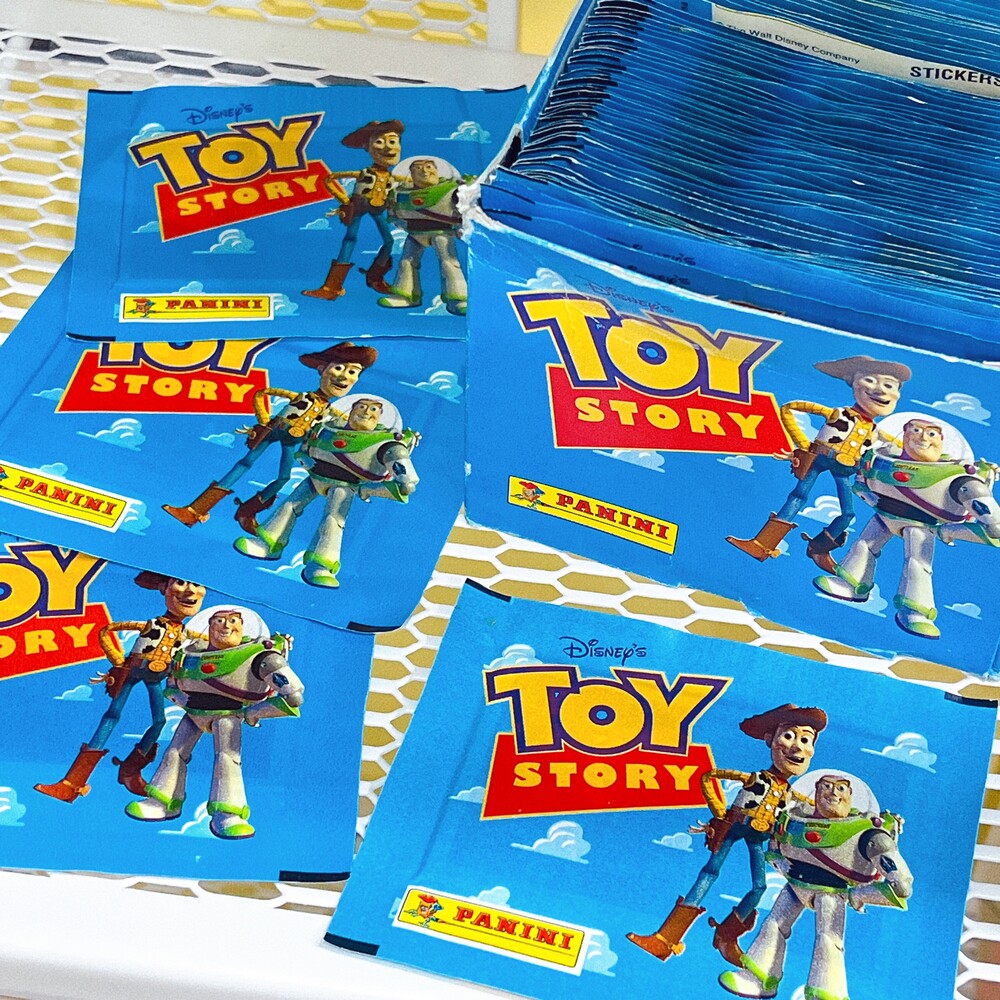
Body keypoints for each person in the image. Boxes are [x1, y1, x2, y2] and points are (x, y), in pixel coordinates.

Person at [627, 704, 827, 966]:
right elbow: (709, 776)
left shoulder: (791, 794)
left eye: (806, 740)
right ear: (770, 739)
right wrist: (720, 813)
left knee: (759, 887)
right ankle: (665, 939)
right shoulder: (754, 778)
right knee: (710, 872)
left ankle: (726, 936)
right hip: (734, 826)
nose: (797, 747)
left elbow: (812, 809)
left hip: (759, 837)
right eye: (789, 736)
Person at [719, 773, 912, 1000]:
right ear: (816, 791)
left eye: (841, 789)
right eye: (826, 787)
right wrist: (780, 862)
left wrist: (861, 894)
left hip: (831, 892)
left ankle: (826, 993)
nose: (833, 793)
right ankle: (759, 978)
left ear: (851, 795)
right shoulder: (794, 820)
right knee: (773, 925)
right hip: (795, 884)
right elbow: (774, 848)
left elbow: (901, 886)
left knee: (828, 939)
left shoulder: (868, 834)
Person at [124, 605, 303, 840]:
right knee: (174, 753)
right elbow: (172, 683)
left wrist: (255, 712)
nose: (226, 626)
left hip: (227, 715)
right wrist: (179, 697)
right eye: (219, 621)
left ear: (243, 626)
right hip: (193, 712)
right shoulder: (189, 653)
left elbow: (293, 696)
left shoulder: (260, 656)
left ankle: (228, 814)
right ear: (209, 626)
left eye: (233, 621)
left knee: (227, 758)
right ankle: (163, 801)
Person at [162, 341, 377, 531]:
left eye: (352, 372)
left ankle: (248, 511)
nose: (344, 377)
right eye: (338, 368)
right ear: (322, 369)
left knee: (283, 478)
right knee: (245, 463)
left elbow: (347, 424)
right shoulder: (300, 397)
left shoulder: (331, 412)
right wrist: (264, 420)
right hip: (275, 429)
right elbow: (262, 393)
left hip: (293, 441)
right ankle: (194, 511)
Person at [727, 355, 911, 571]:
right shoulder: (837, 413)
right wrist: (804, 444)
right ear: (853, 382)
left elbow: (899, 447)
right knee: (798, 496)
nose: (880, 391)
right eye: (870, 380)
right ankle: (761, 545)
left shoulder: (876, 431)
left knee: (848, 514)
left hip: (845, 470)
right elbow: (789, 408)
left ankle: (819, 549)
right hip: (820, 459)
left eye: (889, 385)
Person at [34, 573, 206, 801]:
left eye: (196, 584)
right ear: (164, 589)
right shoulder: (150, 625)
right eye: (181, 583)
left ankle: (130, 771)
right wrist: (117, 660)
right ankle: (72, 784)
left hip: (156, 676)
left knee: (159, 721)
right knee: (112, 714)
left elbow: (206, 642)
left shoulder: (186, 634)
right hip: (132, 671)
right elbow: (106, 630)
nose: (190, 591)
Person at [233, 395, 419, 588]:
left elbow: (403, 474)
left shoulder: (385, 443)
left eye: (373, 410)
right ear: (351, 409)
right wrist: (304, 458)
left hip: (344, 485)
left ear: (380, 416)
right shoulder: (327, 429)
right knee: (288, 506)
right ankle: (268, 544)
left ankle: (321, 565)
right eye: (362, 407)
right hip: (315, 477)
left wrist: (387, 486)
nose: (366, 412)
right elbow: (305, 448)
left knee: (333, 519)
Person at [303, 119, 404, 300]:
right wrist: (343, 200)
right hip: (359, 206)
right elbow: (329, 179)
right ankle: (331, 287)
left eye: (392, 141)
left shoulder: (392, 177)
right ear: (367, 147)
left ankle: (375, 277)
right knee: (350, 239)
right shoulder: (363, 173)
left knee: (389, 241)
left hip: (378, 208)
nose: (388, 147)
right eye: (379, 142)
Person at [377, 157, 468, 316]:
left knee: (449, 263)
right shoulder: (400, 193)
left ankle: (458, 299)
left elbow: (468, 209)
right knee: (406, 262)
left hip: (442, 232)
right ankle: (407, 296)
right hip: (415, 233)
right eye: (418, 168)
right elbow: (393, 215)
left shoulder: (452, 190)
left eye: (428, 167)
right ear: (411, 174)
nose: (424, 171)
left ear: (437, 170)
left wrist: (461, 228)